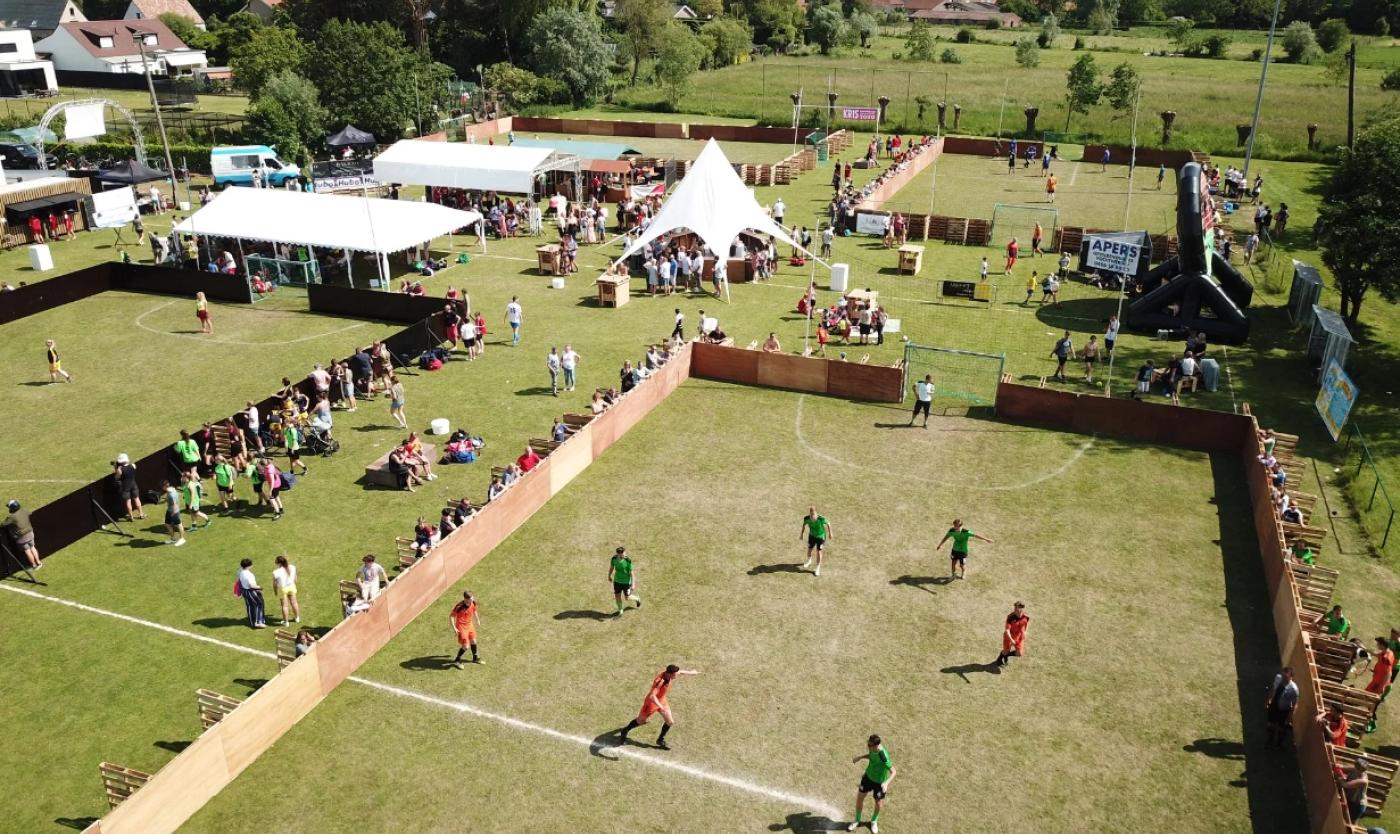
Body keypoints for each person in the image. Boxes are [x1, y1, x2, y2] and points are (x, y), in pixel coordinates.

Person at [619, 664, 700, 750]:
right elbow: (652, 696)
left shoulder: (669, 674)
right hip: (651, 703)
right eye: (675, 674)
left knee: (670, 722)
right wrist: (660, 706)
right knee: (640, 721)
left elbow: (681, 672)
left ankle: (660, 740)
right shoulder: (660, 681)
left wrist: (692, 672)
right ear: (670, 674)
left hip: (661, 700)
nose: (677, 675)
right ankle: (625, 731)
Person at [847, 734, 895, 833]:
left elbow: (894, 771)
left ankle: (874, 821)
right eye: (868, 744)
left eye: (870, 745)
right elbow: (871, 756)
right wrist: (860, 757)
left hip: (879, 783)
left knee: (878, 803)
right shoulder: (872, 749)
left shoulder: (883, 756)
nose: (868, 746)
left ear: (876, 745)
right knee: (860, 798)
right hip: (868, 778)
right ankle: (857, 820)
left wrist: (886, 783)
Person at [1265, 666, 1299, 746]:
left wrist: (1289, 718)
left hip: (1284, 710)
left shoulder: (1294, 689)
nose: (1283, 678)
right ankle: (1270, 741)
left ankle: (1279, 744)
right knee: (1270, 724)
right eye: (1282, 675)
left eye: (1285, 677)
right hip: (1274, 705)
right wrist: (1268, 701)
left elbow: (1295, 705)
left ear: (1291, 677)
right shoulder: (1278, 678)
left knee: (1282, 728)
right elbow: (1273, 689)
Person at [2, 500, 40, 570]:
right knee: (33, 547)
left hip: (21, 537)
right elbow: (30, 513)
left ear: (12, 508)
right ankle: (39, 562)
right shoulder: (24, 510)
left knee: (27, 551)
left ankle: (34, 565)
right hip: (30, 533)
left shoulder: (12, 517)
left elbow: (3, 524)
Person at [450, 590, 483, 666]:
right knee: (466, 646)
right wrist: (454, 628)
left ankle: (475, 658)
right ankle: (457, 660)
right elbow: (451, 616)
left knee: (474, 641)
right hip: (461, 627)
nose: (472, 600)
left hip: (469, 625)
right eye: (470, 599)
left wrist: (477, 619)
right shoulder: (459, 606)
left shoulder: (473, 602)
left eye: (472, 597)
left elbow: (474, 610)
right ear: (465, 599)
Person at [609, 545, 642, 615]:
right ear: (618, 554)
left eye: (624, 553)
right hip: (617, 581)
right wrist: (609, 576)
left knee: (627, 597)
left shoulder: (628, 561)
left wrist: (633, 584)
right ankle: (621, 611)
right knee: (617, 596)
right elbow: (611, 567)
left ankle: (637, 599)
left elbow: (632, 574)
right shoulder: (614, 559)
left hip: (626, 582)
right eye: (623, 554)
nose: (625, 555)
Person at [800, 506, 832, 576]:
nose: (813, 517)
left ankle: (817, 568)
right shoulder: (806, 518)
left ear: (816, 514)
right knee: (809, 549)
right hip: (812, 536)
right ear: (810, 514)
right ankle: (809, 561)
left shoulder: (821, 519)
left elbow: (828, 524)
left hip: (820, 537)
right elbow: (804, 525)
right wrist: (801, 534)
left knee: (818, 551)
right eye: (811, 515)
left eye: (814, 515)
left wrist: (830, 533)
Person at [996, 602, 1030, 667]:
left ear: (1022, 609)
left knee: (1019, 653)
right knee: (1005, 651)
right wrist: (1011, 639)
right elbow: (1007, 630)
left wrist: (1025, 631)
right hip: (1009, 637)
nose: (1015, 610)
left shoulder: (1026, 617)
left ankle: (1006, 655)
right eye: (1015, 608)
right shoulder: (1010, 617)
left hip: (1019, 637)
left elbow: (1026, 623)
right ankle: (999, 659)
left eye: (1017, 608)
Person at [235, 558, 266, 628]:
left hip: (244, 591)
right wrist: (259, 588)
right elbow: (252, 586)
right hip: (251, 591)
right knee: (259, 604)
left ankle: (252, 622)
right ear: (249, 565)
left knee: (250, 606)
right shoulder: (249, 575)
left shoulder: (240, 571)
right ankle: (258, 622)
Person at [112, 453, 144, 520]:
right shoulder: (133, 465)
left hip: (125, 487)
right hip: (133, 485)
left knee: (128, 501)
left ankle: (131, 517)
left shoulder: (120, 470)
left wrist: (116, 468)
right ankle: (141, 514)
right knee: (137, 499)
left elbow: (116, 478)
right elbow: (130, 466)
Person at [1338, 756, 1369, 822]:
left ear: (1362, 770)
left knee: (1350, 822)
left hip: (1357, 805)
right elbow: (1341, 767)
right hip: (1350, 800)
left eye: (1357, 768)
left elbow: (1345, 785)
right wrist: (1338, 768)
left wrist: (1340, 777)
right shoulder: (1354, 769)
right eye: (1356, 766)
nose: (1355, 768)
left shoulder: (1363, 781)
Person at [272, 554, 300, 625]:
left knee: (284, 606)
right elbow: (295, 577)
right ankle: (297, 618)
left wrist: (275, 591)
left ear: (279, 563)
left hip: (283, 589)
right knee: (294, 603)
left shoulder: (276, 572)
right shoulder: (292, 567)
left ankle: (286, 622)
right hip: (291, 586)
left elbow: (274, 584)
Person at [160, 480, 186, 546]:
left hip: (174, 512)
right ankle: (173, 539)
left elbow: (175, 504)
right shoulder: (170, 490)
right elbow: (169, 499)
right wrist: (164, 501)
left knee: (179, 524)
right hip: (169, 510)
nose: (161, 488)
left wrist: (173, 513)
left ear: (165, 486)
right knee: (167, 524)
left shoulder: (171, 494)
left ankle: (182, 539)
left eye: (162, 486)